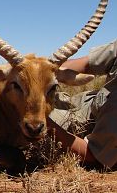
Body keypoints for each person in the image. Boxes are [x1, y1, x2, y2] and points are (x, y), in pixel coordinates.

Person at [48, 40, 117, 170]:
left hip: (97, 130)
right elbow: (86, 64)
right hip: (88, 102)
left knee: (17, 114)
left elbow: (95, 157)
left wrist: (43, 123)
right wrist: (41, 69)